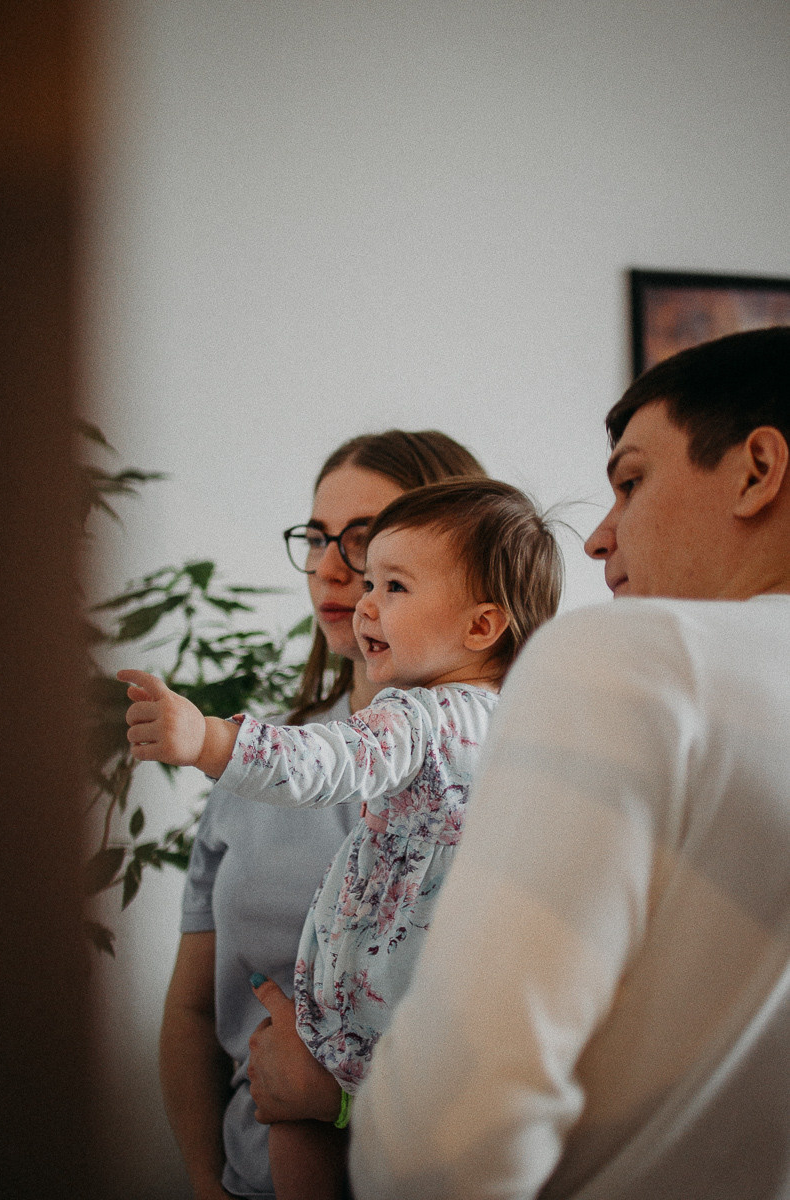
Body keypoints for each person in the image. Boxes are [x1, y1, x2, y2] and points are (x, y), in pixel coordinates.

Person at [348, 326, 790, 1200]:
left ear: (757, 470)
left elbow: (441, 1145)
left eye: (630, 482)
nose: (597, 539)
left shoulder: (636, 656)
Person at [119, 477, 564, 1200]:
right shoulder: (529, 722)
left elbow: (322, 759)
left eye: (391, 583)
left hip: (363, 1012)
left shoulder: (417, 717)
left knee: (295, 1122)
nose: (360, 596)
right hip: (446, 1031)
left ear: (481, 626)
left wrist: (206, 738)